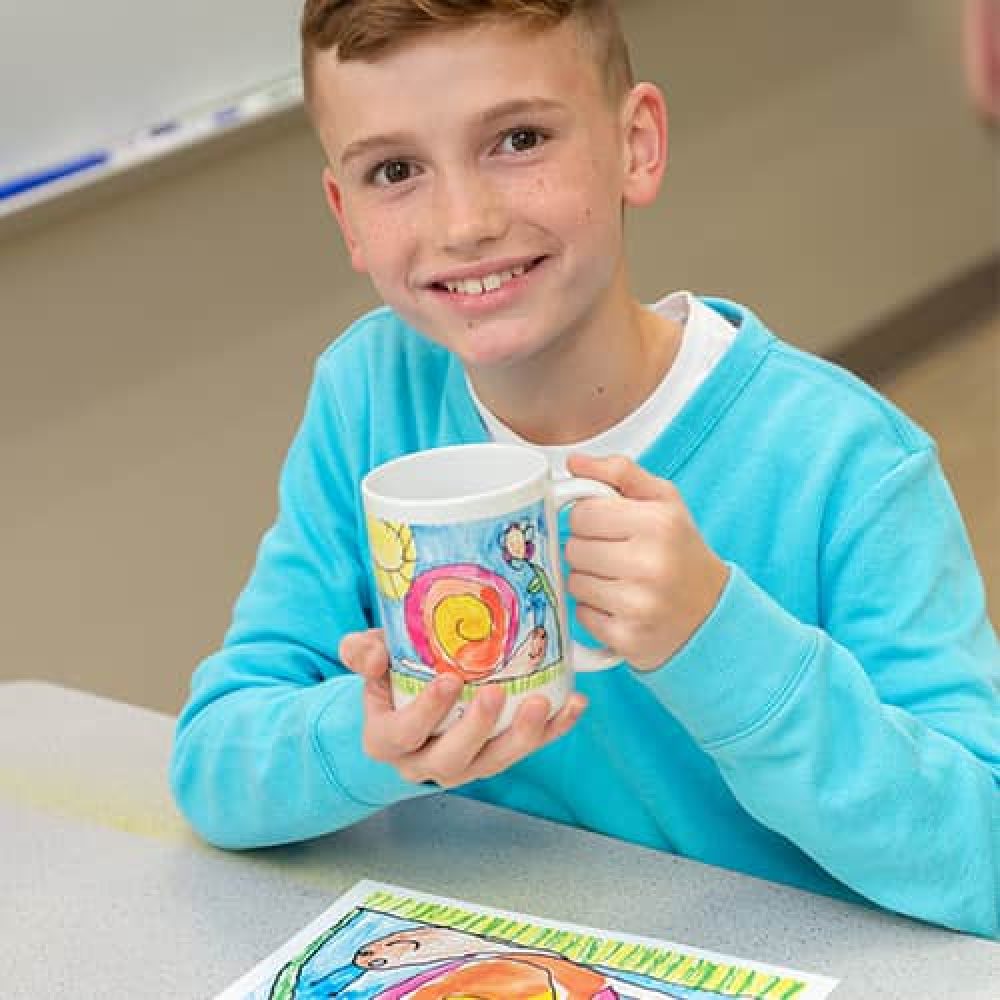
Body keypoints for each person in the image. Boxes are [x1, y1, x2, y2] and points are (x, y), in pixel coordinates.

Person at [169, 0, 999, 939]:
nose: (464, 223)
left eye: (519, 139)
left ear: (636, 145)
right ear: (346, 217)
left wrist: (718, 639)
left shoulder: (844, 461)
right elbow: (214, 765)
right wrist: (369, 736)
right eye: (395, 171)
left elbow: (983, 859)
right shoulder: (368, 395)